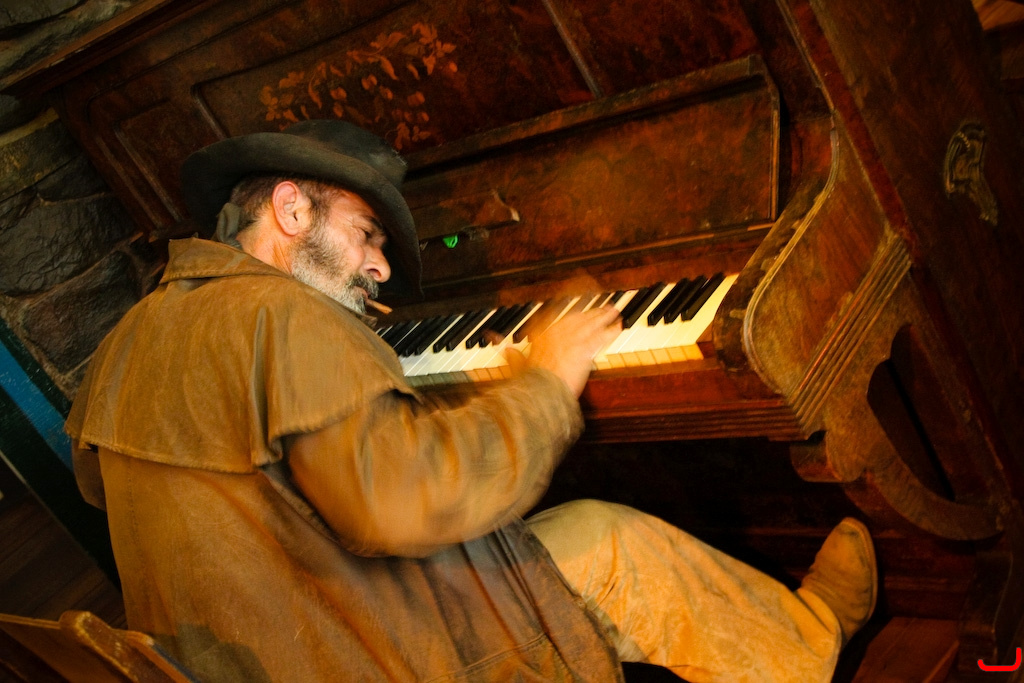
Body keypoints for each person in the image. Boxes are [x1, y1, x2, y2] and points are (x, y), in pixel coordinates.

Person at [66, 119, 877, 682]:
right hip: (373, 658)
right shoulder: (280, 313)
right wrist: (542, 380)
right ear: (291, 208)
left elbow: (160, 492)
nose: (382, 268)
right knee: (611, 541)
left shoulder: (132, 337)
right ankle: (816, 639)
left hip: (273, 647)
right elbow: (402, 504)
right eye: (367, 233)